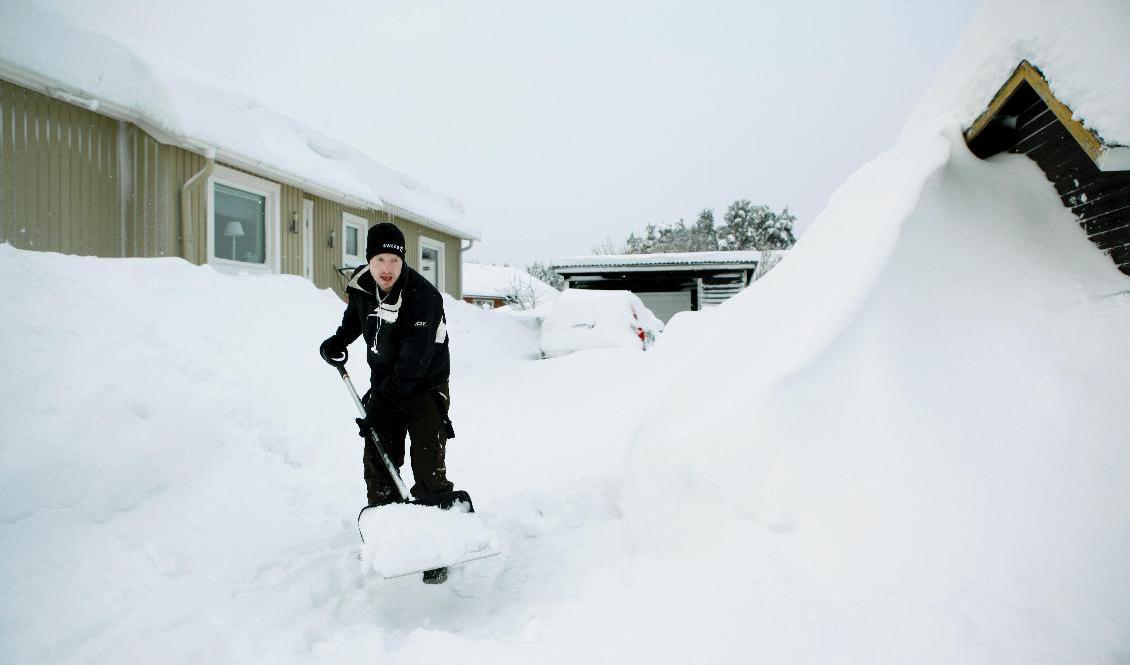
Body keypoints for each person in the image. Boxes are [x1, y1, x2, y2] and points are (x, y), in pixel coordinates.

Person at [319, 222, 456, 510]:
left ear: (403, 261)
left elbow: (413, 365)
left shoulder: (423, 297)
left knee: (427, 466)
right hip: (385, 381)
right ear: (368, 260)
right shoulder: (362, 284)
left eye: (395, 260)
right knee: (380, 462)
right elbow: (356, 316)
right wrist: (340, 340)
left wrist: (378, 403)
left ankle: (442, 529)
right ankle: (387, 527)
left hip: (425, 387)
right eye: (379, 259)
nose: (387, 268)